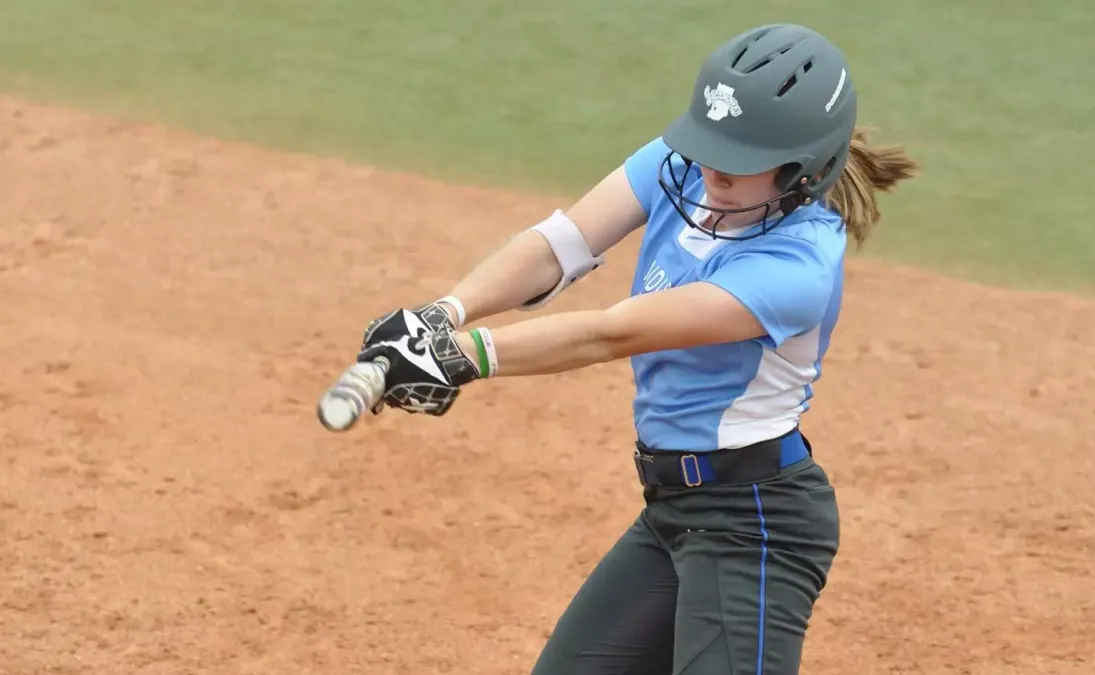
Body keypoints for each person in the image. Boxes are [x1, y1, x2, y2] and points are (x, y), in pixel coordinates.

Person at [353, 22, 919, 675]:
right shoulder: (686, 165)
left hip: (756, 524)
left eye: (737, 161)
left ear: (802, 168)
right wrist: (441, 314)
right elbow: (559, 243)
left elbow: (613, 331)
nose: (710, 171)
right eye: (709, 145)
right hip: (676, 509)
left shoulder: (798, 267)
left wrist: (459, 357)